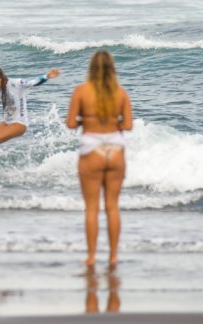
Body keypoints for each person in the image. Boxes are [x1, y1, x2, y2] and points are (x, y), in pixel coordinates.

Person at [66, 51, 132, 269]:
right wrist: (112, 123)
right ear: (112, 68)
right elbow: (128, 126)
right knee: (112, 207)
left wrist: (88, 120)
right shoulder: (121, 93)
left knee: (92, 208)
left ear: (91, 68)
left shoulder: (81, 91)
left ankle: (92, 257)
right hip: (115, 150)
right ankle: (113, 257)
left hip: (91, 149)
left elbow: (71, 124)